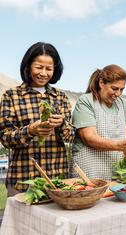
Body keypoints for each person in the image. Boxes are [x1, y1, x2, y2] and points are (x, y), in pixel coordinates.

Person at [0, 42, 74, 196]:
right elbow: (5, 138)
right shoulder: (11, 96)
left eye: (49, 68)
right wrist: (30, 131)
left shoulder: (60, 97)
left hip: (56, 178)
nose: (44, 73)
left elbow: (70, 136)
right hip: (22, 179)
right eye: (39, 67)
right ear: (28, 66)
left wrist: (61, 124)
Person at [72, 65, 126, 180]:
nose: (118, 94)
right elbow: (89, 138)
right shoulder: (86, 101)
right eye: (114, 88)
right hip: (90, 171)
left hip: (118, 171)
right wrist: (120, 145)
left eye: (121, 89)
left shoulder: (123, 104)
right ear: (101, 83)